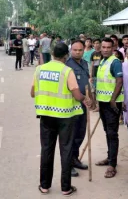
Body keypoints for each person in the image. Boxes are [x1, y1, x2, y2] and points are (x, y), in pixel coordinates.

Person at [31, 43, 91, 196]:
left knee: (46, 150)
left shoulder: (39, 69)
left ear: (51, 53)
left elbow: (33, 93)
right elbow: (77, 96)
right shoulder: (67, 71)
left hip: (45, 116)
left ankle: (44, 186)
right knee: (66, 150)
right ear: (66, 55)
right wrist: (86, 99)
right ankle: (66, 188)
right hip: (65, 117)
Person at [95, 38, 124, 178]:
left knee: (112, 134)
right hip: (103, 102)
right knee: (107, 131)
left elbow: (119, 81)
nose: (105, 49)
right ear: (100, 48)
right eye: (103, 47)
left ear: (113, 48)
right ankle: (110, 158)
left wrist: (113, 100)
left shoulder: (115, 62)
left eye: (108, 47)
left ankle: (112, 165)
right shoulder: (102, 61)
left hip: (112, 103)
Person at [66, 40, 92, 177]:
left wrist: (91, 98)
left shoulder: (84, 63)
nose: (77, 52)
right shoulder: (67, 65)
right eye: (75, 50)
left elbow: (87, 83)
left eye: (80, 50)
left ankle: (75, 159)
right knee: (71, 136)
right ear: (71, 50)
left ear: (84, 50)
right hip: (71, 107)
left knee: (80, 134)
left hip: (83, 105)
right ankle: (68, 165)